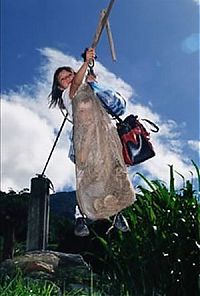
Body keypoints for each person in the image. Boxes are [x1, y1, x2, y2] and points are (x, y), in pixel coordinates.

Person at [49, 48, 135, 236]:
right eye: (63, 79)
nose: (69, 79)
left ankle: (118, 213)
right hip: (85, 138)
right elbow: (76, 85)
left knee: (114, 171)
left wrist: (93, 83)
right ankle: (80, 216)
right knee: (88, 175)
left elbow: (107, 102)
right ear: (60, 87)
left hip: (104, 134)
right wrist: (86, 63)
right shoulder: (67, 95)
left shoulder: (86, 88)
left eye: (69, 74)